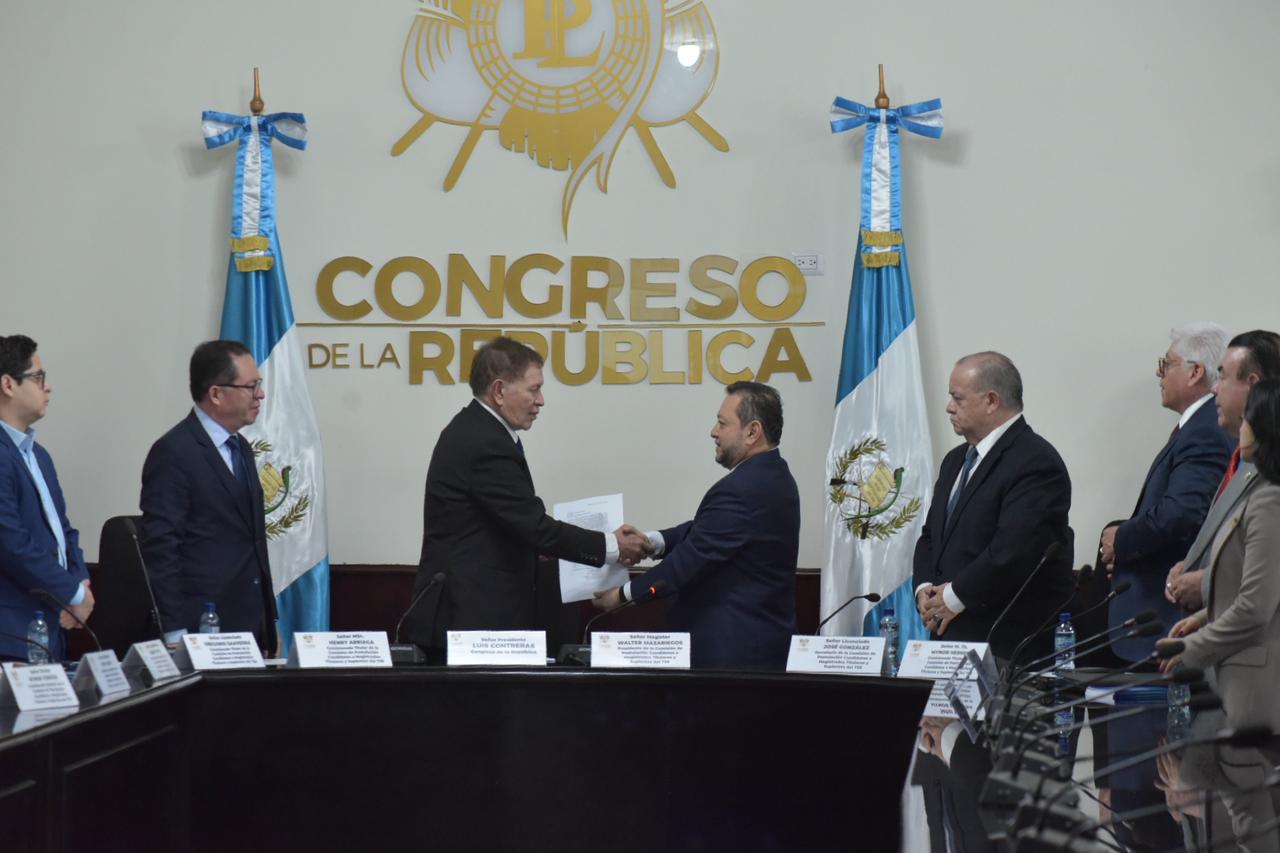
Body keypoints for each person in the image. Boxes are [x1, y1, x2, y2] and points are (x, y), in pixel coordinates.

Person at [410, 337, 649, 651]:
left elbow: (513, 525)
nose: (541, 401)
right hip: (471, 618)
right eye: (534, 389)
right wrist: (612, 546)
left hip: (476, 614)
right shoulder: (484, 442)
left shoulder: (479, 431)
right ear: (499, 391)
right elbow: (534, 527)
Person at [592, 381, 800, 670]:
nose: (713, 432)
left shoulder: (744, 488)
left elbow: (689, 563)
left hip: (732, 657)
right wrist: (653, 542)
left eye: (722, 423)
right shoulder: (771, 477)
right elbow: (708, 529)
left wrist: (622, 596)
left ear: (752, 432)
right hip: (748, 649)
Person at [1160, 379, 1280, 851]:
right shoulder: (1261, 492)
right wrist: (1206, 616)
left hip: (1255, 687)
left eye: (1250, 418)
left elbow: (1256, 607)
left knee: (1251, 823)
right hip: (1241, 680)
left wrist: (1190, 647)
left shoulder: (1270, 500)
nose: (1240, 426)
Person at [913, 352, 1075, 661]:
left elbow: (1014, 551)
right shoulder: (954, 461)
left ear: (991, 401)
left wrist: (953, 597)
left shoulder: (1035, 462)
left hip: (1004, 646)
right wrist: (925, 589)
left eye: (957, 399)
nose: (948, 407)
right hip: (948, 637)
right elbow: (930, 536)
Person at [1100, 323, 1232, 661]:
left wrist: (1122, 540)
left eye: (1165, 364)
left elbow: (1182, 514)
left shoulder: (1205, 431)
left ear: (1194, 373)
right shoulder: (1196, 427)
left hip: (1167, 614)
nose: (1159, 375)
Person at [139, 340, 277, 651]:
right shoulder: (174, 452)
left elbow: (252, 543)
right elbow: (162, 548)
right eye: (251, 386)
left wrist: (267, 623)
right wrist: (173, 632)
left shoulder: (241, 447)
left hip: (248, 625)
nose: (261, 395)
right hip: (199, 628)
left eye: (260, 384)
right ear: (216, 393)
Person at [1165, 330, 1280, 612]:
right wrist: (1191, 563)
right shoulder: (1243, 458)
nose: (1215, 388)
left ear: (1252, 386)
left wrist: (1207, 583)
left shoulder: (1271, 465)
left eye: (1224, 377)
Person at [0, 335, 92, 661]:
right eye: (38, 377)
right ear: (8, 384)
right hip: (10, 635)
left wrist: (80, 579)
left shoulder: (39, 456)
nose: (48, 387)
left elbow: (62, 529)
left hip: (49, 630)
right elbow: (11, 542)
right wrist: (72, 593)